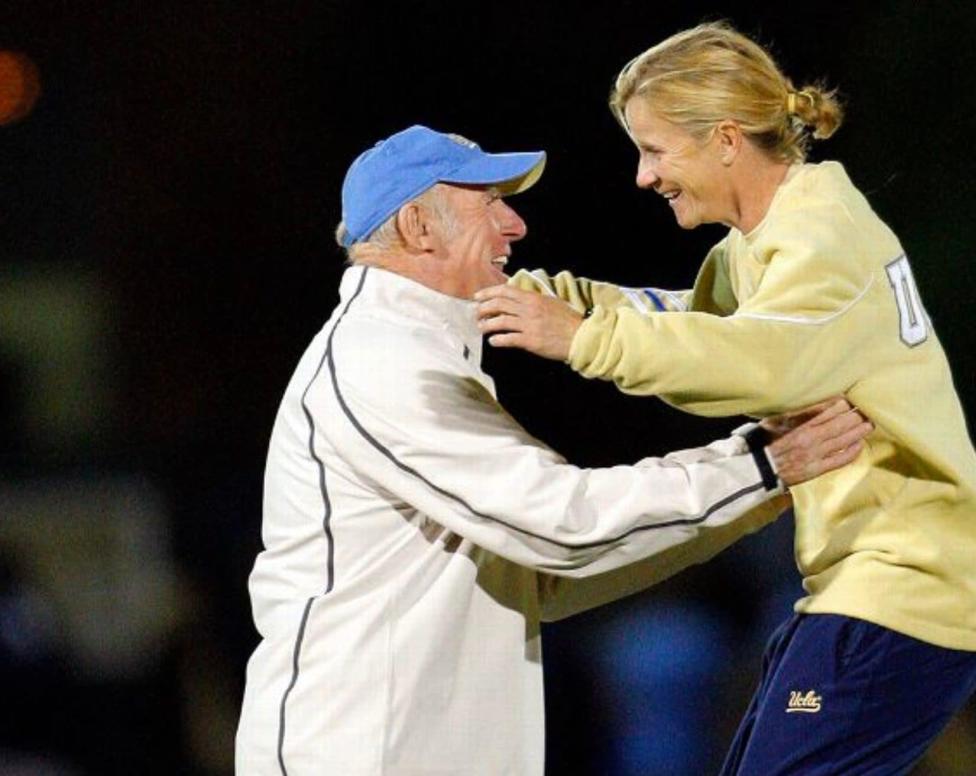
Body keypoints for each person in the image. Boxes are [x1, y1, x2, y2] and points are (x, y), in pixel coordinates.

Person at [475, 22, 976, 775]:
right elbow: (695, 322)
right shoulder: (773, 235)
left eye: (655, 149)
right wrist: (551, 299)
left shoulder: (820, 239)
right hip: (883, 584)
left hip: (912, 589)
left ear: (726, 139)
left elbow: (757, 363)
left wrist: (579, 339)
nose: (643, 175)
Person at [233, 124, 873, 775]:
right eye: (488, 203)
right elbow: (562, 525)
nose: (515, 226)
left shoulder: (416, 352)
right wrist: (757, 465)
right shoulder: (382, 362)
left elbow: (540, 577)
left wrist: (760, 484)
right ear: (419, 229)